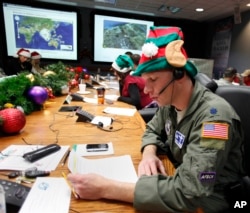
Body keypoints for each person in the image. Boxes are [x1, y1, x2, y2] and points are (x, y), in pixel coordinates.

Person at [67, 26, 245, 212]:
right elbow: (152, 129)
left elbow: (190, 191)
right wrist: (149, 154)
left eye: (153, 80)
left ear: (179, 75)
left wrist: (105, 188)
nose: (146, 90)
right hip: (178, 179)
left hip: (213, 200)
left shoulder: (215, 120)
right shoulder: (169, 103)